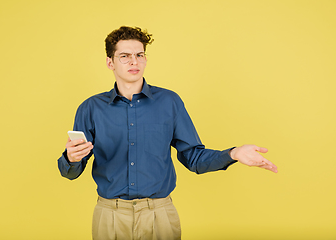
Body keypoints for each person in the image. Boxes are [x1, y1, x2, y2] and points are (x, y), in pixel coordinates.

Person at [57, 26, 278, 240]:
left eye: (139, 55)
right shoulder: (90, 108)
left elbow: (194, 158)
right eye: (124, 56)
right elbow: (71, 172)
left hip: (159, 215)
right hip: (110, 216)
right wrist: (71, 158)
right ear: (110, 62)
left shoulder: (169, 102)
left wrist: (234, 153)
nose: (134, 61)